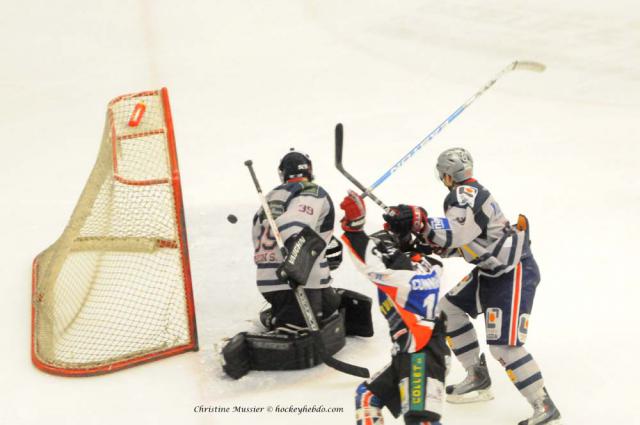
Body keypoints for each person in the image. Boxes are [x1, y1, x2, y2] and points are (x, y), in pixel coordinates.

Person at [384, 148, 561, 425]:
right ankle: (477, 376)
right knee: (448, 309)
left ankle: (544, 406)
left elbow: (456, 234)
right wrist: (422, 239)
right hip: (493, 270)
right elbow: (467, 243)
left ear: (446, 175)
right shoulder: (470, 194)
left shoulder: (462, 195)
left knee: (504, 346)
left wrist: (420, 220)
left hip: (513, 271)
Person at [340, 190, 449, 425]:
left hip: (422, 355)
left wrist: (354, 226)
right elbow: (391, 247)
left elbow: (371, 256)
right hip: (411, 350)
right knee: (367, 397)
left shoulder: (400, 274)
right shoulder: (429, 265)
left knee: (420, 421)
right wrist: (406, 224)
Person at [252, 148, 342, 329]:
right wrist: (295, 266)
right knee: (308, 328)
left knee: (333, 306)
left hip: (267, 282)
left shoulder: (269, 198)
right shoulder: (312, 192)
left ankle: (277, 313)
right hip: (297, 281)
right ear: (309, 169)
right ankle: (279, 320)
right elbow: (293, 225)